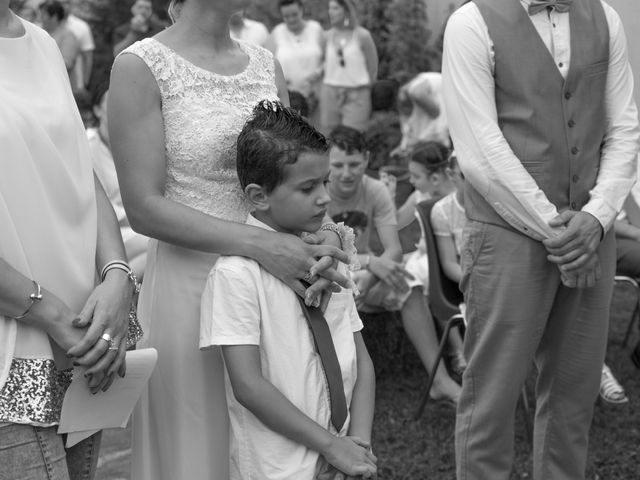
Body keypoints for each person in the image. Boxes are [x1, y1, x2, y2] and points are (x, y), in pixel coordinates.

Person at [108, 0, 351, 478]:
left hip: (276, 281)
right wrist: (262, 245)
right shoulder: (139, 66)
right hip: (190, 288)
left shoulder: (265, 64)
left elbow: (289, 176)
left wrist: (319, 236)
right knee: (200, 449)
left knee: (280, 440)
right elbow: (142, 206)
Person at [442, 0, 640, 478]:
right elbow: (480, 149)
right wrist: (560, 227)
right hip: (507, 236)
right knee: (491, 398)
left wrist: (595, 217)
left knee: (574, 396)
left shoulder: (606, 17)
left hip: (592, 233)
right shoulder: (470, 22)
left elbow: (624, 126)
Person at [200, 100, 376, 480]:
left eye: (325, 181)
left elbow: (360, 359)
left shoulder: (330, 259)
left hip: (345, 449)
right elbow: (248, 385)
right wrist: (331, 446)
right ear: (259, 196)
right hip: (279, 465)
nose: (325, 198)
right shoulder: (235, 275)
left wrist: (356, 445)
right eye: (309, 187)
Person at [0, 5, 135, 478]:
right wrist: (52, 314)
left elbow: (80, 169)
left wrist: (117, 275)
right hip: (14, 351)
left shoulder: (43, 43)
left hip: (81, 346)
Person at [327, 127, 461, 403]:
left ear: (366, 159)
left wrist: (372, 275)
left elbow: (395, 250)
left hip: (364, 275)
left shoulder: (375, 190)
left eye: (354, 164)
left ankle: (440, 381)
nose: (346, 173)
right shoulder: (320, 190)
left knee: (407, 284)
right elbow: (325, 251)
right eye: (337, 165)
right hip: (330, 273)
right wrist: (371, 264)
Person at [87, 82, 148, 280]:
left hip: (137, 223)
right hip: (107, 230)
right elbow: (94, 203)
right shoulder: (88, 145)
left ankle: (124, 287)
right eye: (111, 101)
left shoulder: (136, 142)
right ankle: (122, 287)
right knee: (157, 245)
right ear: (97, 109)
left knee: (160, 244)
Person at [320, 0, 378, 134]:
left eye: (335, 8)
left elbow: (373, 68)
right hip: (330, 94)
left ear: (347, 10)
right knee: (329, 138)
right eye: (330, 8)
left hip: (357, 95)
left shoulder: (363, 36)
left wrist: (365, 90)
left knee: (353, 139)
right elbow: (323, 65)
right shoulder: (326, 36)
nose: (330, 12)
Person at [267, 0, 324, 123]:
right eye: (286, 16)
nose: (291, 19)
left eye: (294, 14)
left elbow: (328, 60)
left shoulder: (316, 29)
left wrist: (318, 73)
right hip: (289, 98)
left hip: (316, 95)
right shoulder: (276, 33)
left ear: (302, 10)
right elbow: (268, 64)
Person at [394, 72, 450, 158]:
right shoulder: (414, 91)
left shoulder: (416, 92)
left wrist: (413, 144)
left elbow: (436, 118)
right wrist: (403, 146)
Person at [59, 0, 94, 92]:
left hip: (75, 84)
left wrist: (85, 83)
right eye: (61, 2)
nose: (64, 6)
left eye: (66, 2)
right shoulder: (44, 25)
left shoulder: (81, 26)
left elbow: (88, 57)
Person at [39, 0, 80, 77]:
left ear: (54, 17)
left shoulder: (68, 36)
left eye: (43, 14)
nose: (40, 18)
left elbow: (67, 64)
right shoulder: (38, 31)